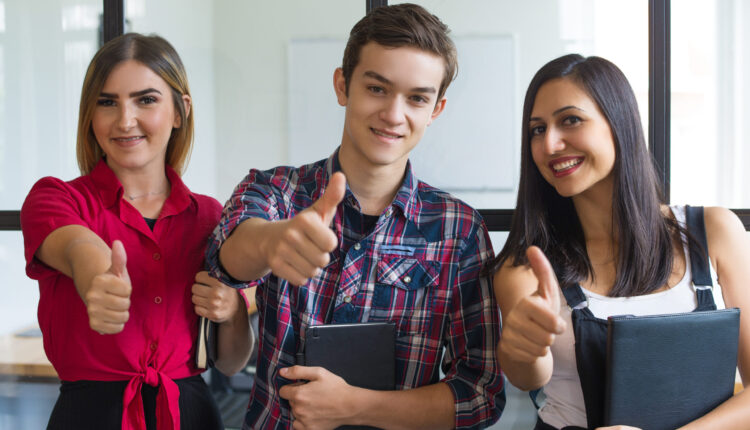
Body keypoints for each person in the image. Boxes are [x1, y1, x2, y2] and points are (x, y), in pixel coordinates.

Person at [205, 3, 504, 429]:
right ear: (342, 86)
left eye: (417, 98)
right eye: (377, 89)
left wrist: (355, 406)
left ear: (435, 110)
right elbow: (227, 259)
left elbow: (480, 395)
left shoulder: (458, 229)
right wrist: (274, 243)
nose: (394, 115)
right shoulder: (277, 192)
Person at [492, 53, 750, 430]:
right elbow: (529, 375)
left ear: (619, 122)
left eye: (570, 120)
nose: (549, 144)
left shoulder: (713, 230)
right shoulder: (526, 268)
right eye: (536, 129)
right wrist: (521, 346)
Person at [20, 33, 252, 430]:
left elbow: (231, 362)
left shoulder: (212, 216)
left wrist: (231, 313)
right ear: (90, 116)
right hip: (90, 417)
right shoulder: (55, 197)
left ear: (181, 111)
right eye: (107, 102)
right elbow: (77, 245)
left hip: (190, 414)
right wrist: (97, 277)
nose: (125, 120)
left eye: (146, 100)